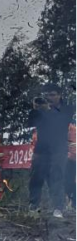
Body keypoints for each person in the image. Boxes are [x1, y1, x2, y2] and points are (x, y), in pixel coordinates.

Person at [29, 83, 74, 217]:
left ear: (59, 96)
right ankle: (33, 207)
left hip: (58, 149)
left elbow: (60, 120)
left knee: (57, 177)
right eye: (47, 95)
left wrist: (48, 110)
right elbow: (30, 123)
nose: (49, 97)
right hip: (41, 149)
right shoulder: (40, 110)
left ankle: (58, 208)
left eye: (52, 95)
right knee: (36, 178)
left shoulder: (67, 109)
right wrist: (36, 109)